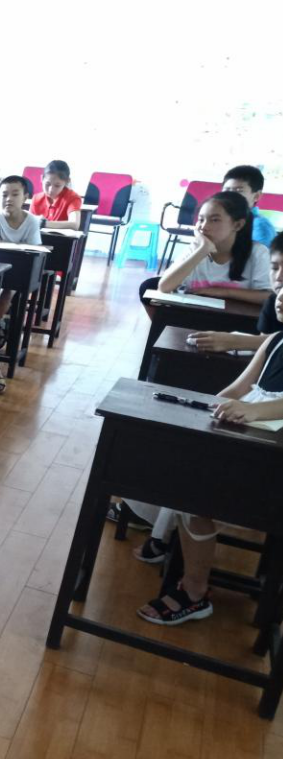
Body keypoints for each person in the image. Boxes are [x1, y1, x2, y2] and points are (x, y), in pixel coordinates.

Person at [136, 305, 283, 625]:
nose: (281, 295)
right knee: (183, 460)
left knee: (195, 487)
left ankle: (194, 590)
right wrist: (204, 412)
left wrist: (255, 411)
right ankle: (166, 541)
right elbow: (236, 390)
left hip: (272, 464)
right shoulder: (274, 341)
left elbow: (261, 408)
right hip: (244, 440)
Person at [0, 175, 45, 393]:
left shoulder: (32, 221)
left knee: (6, 294)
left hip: (17, 275)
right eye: (4, 194)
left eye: (15, 194)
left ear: (25, 197)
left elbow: (32, 252)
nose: (9, 199)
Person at [153, 191, 272, 307]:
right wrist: (202, 250)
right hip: (194, 315)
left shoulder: (258, 253)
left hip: (237, 317)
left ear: (238, 225)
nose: (204, 227)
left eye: (215, 220)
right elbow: (164, 287)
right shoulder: (194, 249)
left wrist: (224, 292)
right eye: (201, 220)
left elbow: (269, 297)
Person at [189, 231, 283, 354]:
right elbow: (265, 353)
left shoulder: (257, 252)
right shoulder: (272, 302)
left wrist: (236, 341)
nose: (278, 276)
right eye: (274, 268)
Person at [222, 164, 276, 247]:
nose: (230, 195)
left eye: (239, 190)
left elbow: (257, 254)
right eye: (227, 190)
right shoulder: (221, 219)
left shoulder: (259, 226)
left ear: (256, 196)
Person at [31, 160, 82, 231]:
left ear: (67, 182)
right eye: (47, 184)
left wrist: (43, 223)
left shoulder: (72, 198)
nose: (51, 190)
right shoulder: (36, 198)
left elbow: (74, 224)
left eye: (57, 186)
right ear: (42, 178)